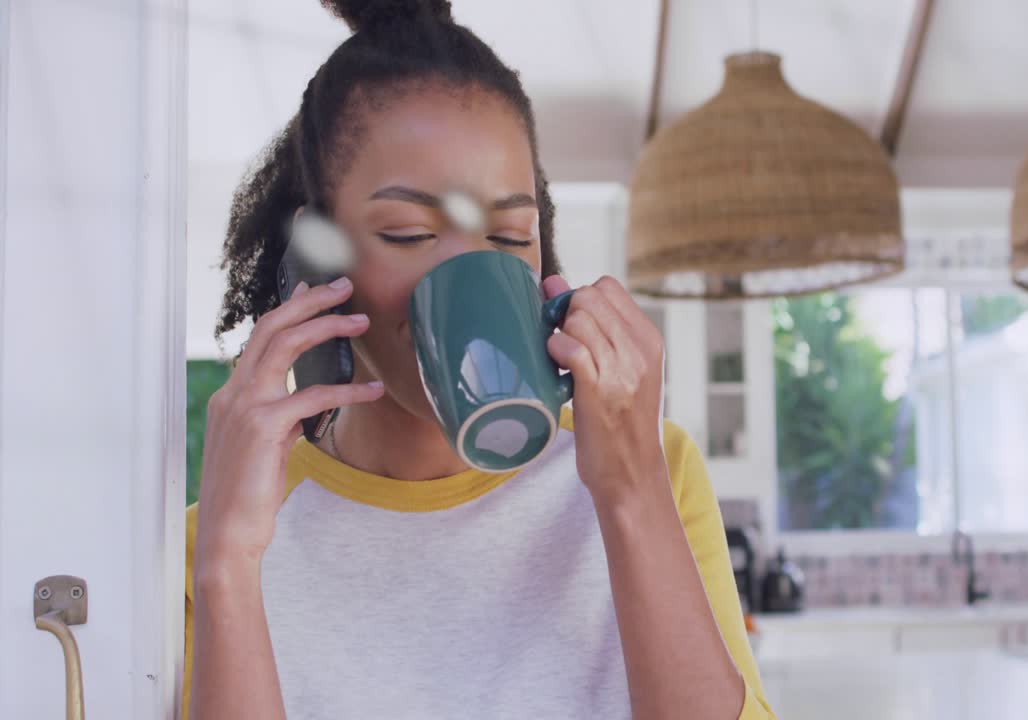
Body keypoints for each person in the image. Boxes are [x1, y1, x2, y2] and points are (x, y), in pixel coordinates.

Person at [184, 1, 775, 718]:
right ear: (316, 256)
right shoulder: (227, 532)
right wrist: (226, 567)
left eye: (506, 235)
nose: (464, 270)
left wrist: (630, 491)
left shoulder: (653, 468)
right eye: (407, 232)